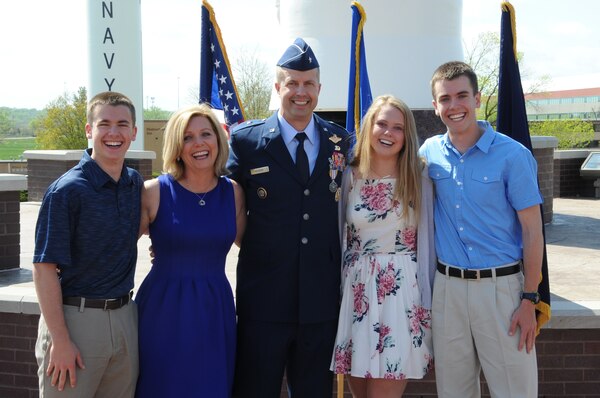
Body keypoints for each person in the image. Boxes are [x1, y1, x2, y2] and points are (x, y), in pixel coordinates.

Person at [227, 37, 350, 397]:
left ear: (319, 89)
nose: (301, 92)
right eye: (292, 83)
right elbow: (221, 202)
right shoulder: (246, 143)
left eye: (309, 83)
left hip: (320, 299)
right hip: (263, 297)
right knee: (255, 389)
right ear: (278, 87)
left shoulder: (341, 143)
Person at [419, 61, 543, 398]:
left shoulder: (512, 155)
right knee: (453, 391)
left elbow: (533, 231)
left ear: (477, 98)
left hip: (502, 290)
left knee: (514, 391)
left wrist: (529, 299)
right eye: (445, 99)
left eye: (462, 96)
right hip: (448, 291)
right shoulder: (428, 153)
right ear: (435, 106)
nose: (454, 106)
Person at [33, 91, 142, 397]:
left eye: (122, 124)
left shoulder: (134, 184)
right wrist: (60, 340)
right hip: (76, 322)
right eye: (104, 123)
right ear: (89, 130)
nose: (113, 132)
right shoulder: (66, 191)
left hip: (124, 318)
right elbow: (43, 269)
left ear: (133, 132)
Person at [134, 104, 245, 397]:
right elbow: (117, 249)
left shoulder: (233, 192)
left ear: (218, 140)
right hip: (163, 310)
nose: (198, 143)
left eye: (205, 134)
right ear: (177, 146)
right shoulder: (154, 191)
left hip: (215, 309)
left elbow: (256, 248)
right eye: (187, 137)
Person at [330, 95, 435, 397]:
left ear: (407, 135)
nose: (388, 133)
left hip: (401, 296)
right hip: (356, 293)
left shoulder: (420, 175)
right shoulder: (349, 176)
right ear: (369, 127)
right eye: (382, 124)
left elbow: (430, 238)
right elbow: (340, 236)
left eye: (397, 127)